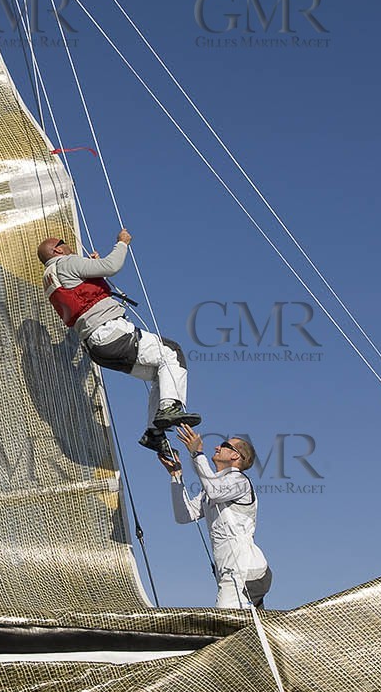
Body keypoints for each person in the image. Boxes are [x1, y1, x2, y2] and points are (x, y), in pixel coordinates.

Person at [37, 232, 198, 454]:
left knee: (161, 373)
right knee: (172, 351)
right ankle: (170, 407)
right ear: (57, 250)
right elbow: (111, 266)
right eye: (64, 244)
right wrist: (122, 243)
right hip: (111, 332)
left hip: (97, 347)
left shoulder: (51, 278)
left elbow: (79, 296)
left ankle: (154, 433)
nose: (70, 247)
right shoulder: (66, 263)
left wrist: (89, 268)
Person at [160, 424, 271, 609]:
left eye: (223, 444)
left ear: (236, 456)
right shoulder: (211, 489)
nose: (217, 447)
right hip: (231, 572)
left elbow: (216, 492)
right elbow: (183, 515)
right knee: (247, 631)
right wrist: (176, 476)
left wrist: (197, 454)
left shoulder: (240, 481)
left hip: (245, 571)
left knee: (224, 619)